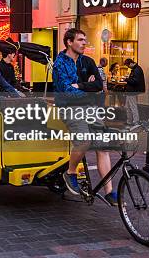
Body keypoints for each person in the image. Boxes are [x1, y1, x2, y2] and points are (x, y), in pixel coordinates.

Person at [52, 28, 117, 206]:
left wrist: (79, 85)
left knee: (103, 146)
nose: (84, 43)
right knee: (84, 141)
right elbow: (67, 92)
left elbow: (98, 84)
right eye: (80, 40)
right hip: (69, 108)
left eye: (84, 40)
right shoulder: (59, 64)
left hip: (87, 107)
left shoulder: (87, 61)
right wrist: (87, 89)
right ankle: (70, 172)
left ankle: (110, 191)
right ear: (69, 42)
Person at [123, 58, 145, 127]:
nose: (128, 67)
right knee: (128, 106)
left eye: (128, 65)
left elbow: (135, 81)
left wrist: (126, 79)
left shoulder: (136, 70)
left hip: (132, 91)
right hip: (130, 91)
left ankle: (135, 122)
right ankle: (129, 121)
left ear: (130, 63)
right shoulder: (136, 69)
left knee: (132, 106)